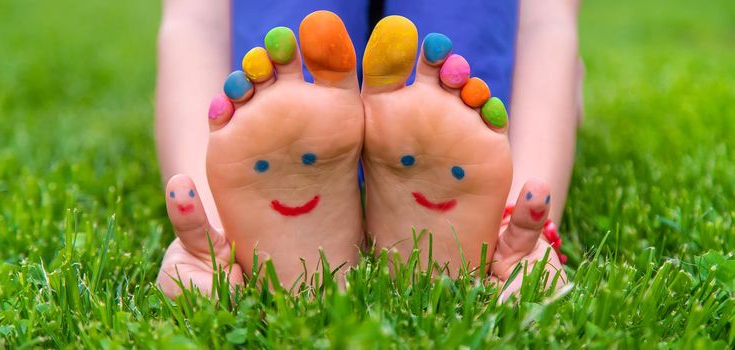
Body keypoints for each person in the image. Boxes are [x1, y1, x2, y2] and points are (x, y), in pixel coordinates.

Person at [155, 0, 580, 298]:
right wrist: (213, 230)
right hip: (356, 134)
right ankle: (361, 153)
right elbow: (196, 21)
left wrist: (525, 230)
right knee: (309, 37)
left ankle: (476, 201)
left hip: (410, 133)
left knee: (453, 54)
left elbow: (547, 21)